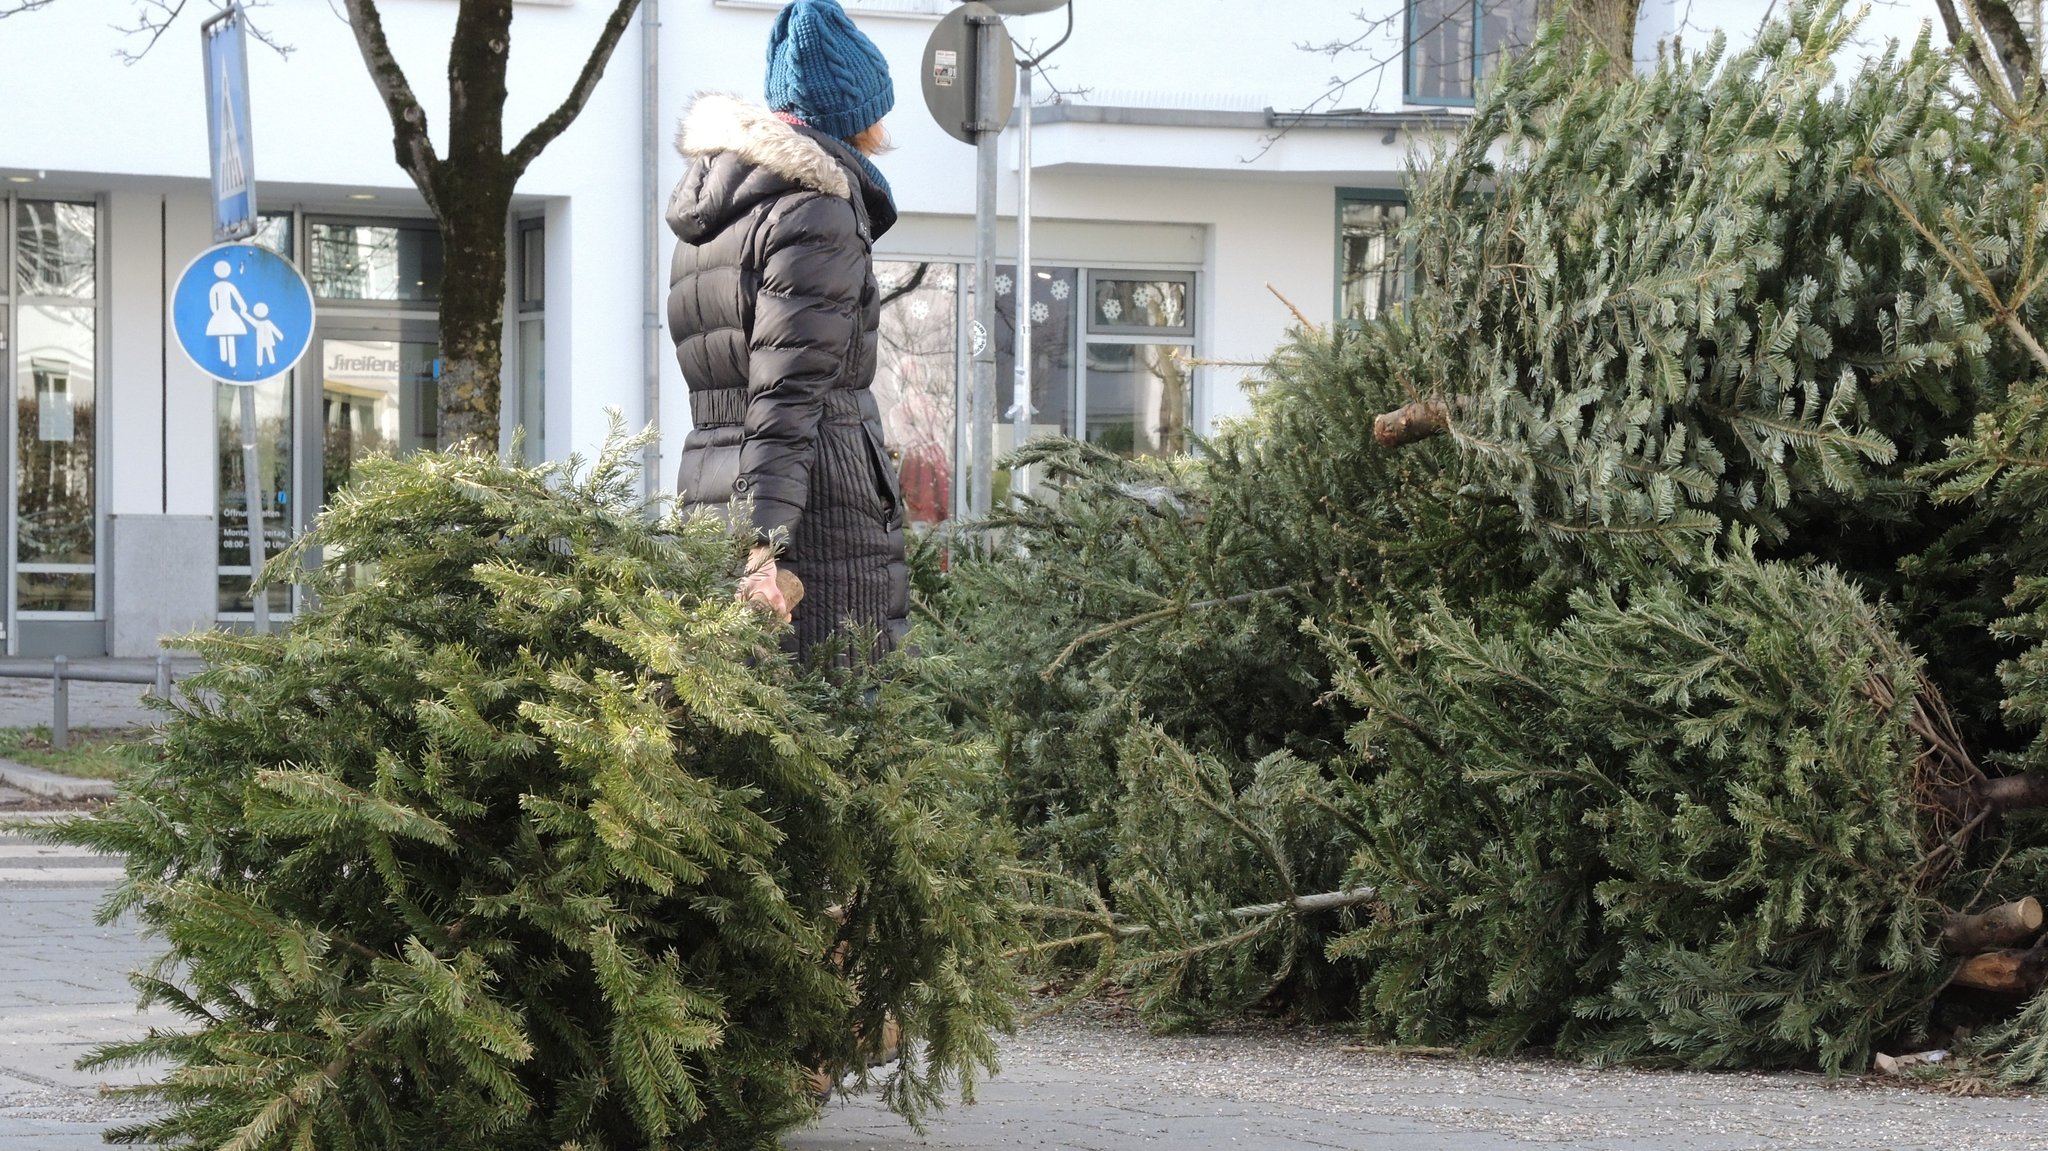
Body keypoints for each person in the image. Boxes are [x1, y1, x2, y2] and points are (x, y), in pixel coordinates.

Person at [666, 0, 907, 660]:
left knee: (750, 739)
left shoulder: (716, 217)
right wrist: (763, 548)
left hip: (714, 493)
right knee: (843, 730)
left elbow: (739, 393)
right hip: (817, 522)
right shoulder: (815, 210)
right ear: (856, 113)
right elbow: (786, 396)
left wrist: (743, 537)